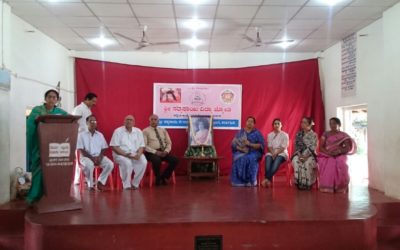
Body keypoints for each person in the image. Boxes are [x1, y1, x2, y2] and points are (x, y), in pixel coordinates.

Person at [26, 89, 68, 204]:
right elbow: (30, 127)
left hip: (55, 147)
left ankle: (54, 194)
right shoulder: (37, 110)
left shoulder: (61, 112)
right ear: (45, 98)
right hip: (40, 145)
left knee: (53, 171)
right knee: (40, 170)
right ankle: (36, 195)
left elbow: (70, 121)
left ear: (57, 100)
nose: (52, 99)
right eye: (49, 97)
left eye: (54, 97)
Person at [318, 117, 356, 193]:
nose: (332, 125)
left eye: (334, 123)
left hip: (340, 154)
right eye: (330, 124)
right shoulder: (326, 134)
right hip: (327, 154)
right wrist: (328, 153)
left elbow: (347, 147)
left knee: (341, 163)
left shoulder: (343, 135)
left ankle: (340, 186)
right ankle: (328, 187)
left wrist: (339, 151)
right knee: (330, 163)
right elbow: (321, 147)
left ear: (339, 124)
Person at [76, 115, 114, 191]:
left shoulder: (100, 135)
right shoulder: (81, 135)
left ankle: (100, 181)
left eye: (95, 121)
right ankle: (90, 185)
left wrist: (99, 157)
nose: (93, 123)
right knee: (90, 165)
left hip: (98, 156)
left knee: (110, 164)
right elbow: (81, 149)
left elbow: (104, 147)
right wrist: (92, 158)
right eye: (91, 121)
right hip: (86, 157)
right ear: (87, 123)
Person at [110, 115, 147, 190]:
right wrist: (126, 155)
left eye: (131, 120)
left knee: (143, 161)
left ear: (134, 123)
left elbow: (141, 146)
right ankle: (126, 185)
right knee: (127, 163)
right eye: (127, 119)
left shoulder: (138, 131)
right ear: (124, 122)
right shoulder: (118, 131)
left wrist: (139, 154)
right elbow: (114, 147)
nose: (129, 121)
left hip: (134, 153)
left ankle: (135, 183)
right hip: (120, 154)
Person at [143, 114, 178, 186]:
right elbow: (144, 146)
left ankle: (164, 176)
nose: (153, 121)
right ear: (149, 121)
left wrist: (166, 151)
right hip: (151, 153)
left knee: (175, 160)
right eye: (152, 119)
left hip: (163, 151)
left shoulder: (163, 130)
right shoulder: (145, 131)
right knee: (157, 160)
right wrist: (156, 152)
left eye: (155, 120)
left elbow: (169, 143)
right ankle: (158, 177)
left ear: (158, 121)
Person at [230, 116, 264, 187]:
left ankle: (250, 181)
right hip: (242, 151)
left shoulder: (257, 133)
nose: (249, 123)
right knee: (237, 158)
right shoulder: (241, 132)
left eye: (252, 122)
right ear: (246, 122)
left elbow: (260, 145)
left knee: (249, 158)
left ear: (254, 124)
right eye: (248, 121)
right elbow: (233, 143)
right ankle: (238, 181)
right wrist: (241, 149)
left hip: (254, 152)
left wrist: (249, 144)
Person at [72, 92, 98, 185]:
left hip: (87, 137)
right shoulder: (78, 109)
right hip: (79, 137)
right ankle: (80, 179)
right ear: (87, 99)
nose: (94, 103)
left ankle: (81, 179)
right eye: (93, 101)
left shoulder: (88, 110)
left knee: (86, 159)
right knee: (81, 159)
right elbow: (74, 122)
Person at [292, 117, 318, 190]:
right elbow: (296, 146)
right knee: (296, 161)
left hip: (310, 154)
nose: (302, 124)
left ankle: (308, 183)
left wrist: (306, 156)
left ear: (309, 124)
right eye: (302, 122)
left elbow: (313, 147)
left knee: (308, 162)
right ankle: (299, 182)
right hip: (299, 154)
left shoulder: (314, 135)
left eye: (305, 122)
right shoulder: (298, 134)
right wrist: (300, 155)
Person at [262, 118, 289, 188]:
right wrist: (273, 153)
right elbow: (269, 146)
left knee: (277, 160)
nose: (276, 125)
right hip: (271, 152)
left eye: (278, 124)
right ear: (273, 125)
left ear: (281, 125)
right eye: (275, 124)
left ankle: (266, 179)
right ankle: (268, 180)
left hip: (282, 153)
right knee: (268, 158)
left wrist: (276, 153)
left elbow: (284, 147)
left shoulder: (285, 135)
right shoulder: (270, 135)